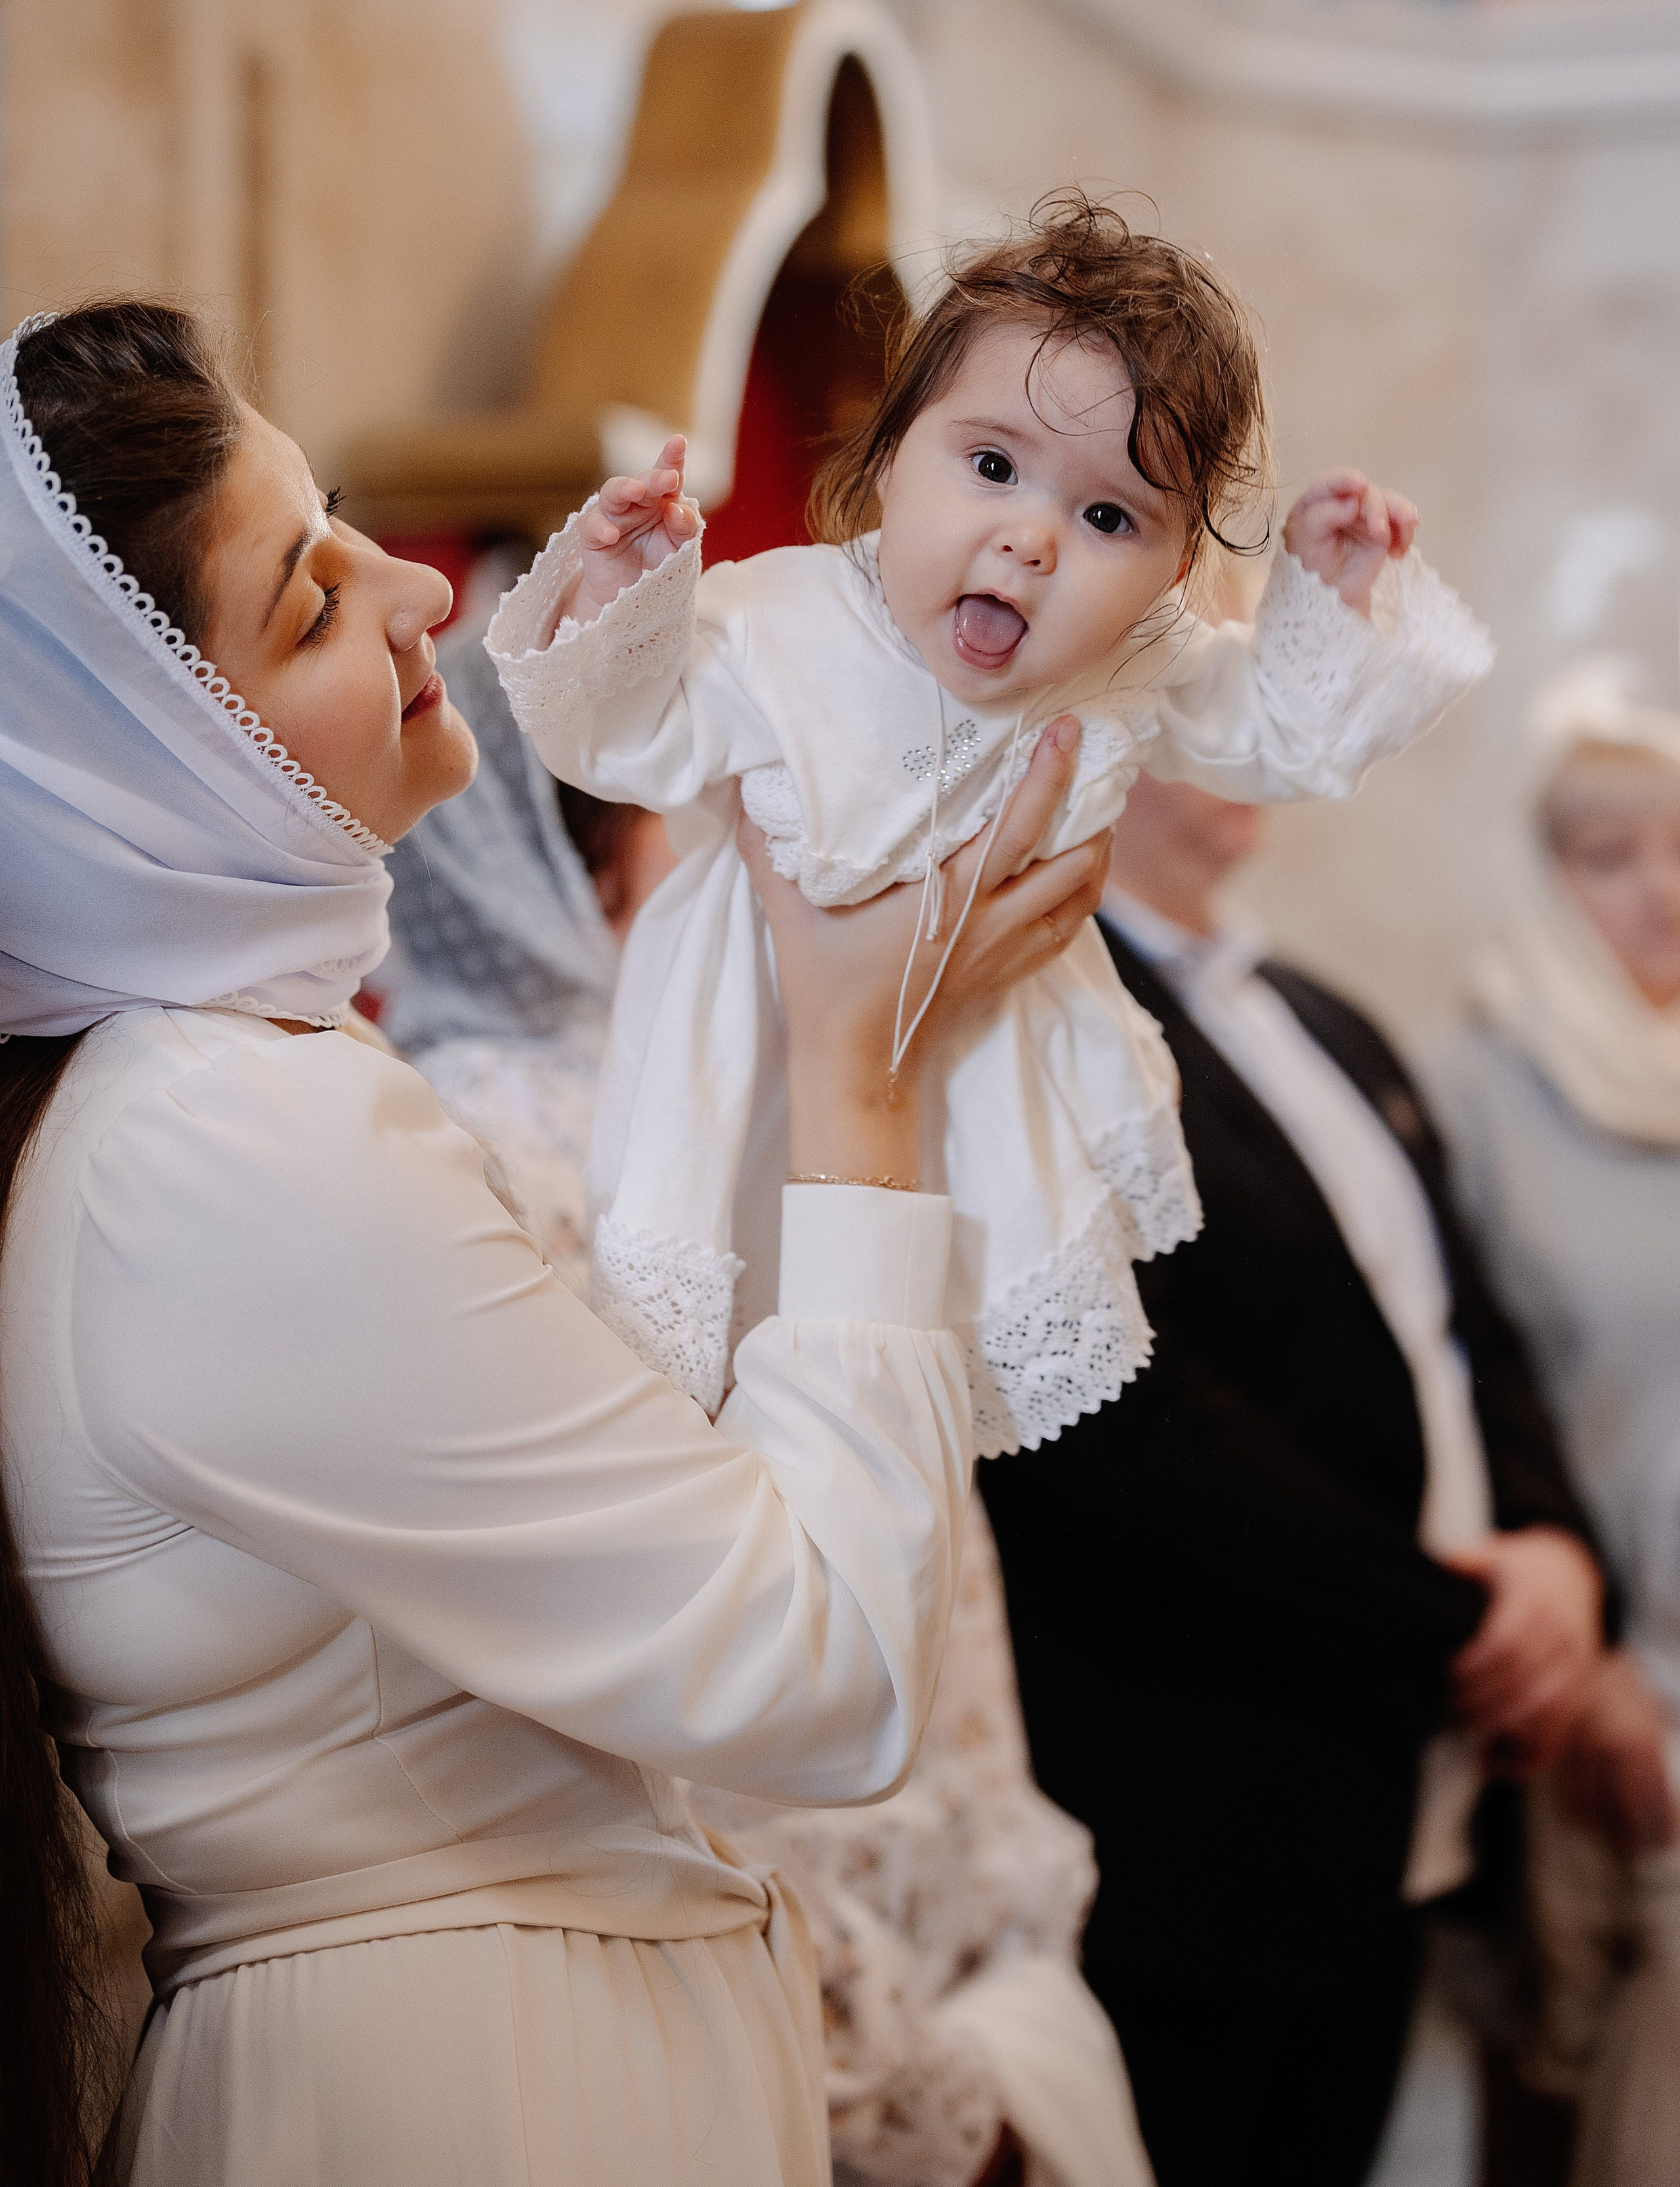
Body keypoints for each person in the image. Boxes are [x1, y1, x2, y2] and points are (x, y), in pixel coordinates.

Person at [0, 299, 1108, 2187]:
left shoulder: (211, 1104)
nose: (417, 601)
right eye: (309, 602)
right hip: (473, 2093)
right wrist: (866, 1069)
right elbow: (818, 1667)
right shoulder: (222, 1138)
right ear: (136, 773)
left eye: (348, 527)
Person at [486, 193, 1492, 1456]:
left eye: (1109, 517)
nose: (1030, 539)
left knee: (906, 1385)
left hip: (985, 1081)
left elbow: (1274, 730)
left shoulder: (1122, 666)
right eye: (994, 466)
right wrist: (624, 589)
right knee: (726, 1360)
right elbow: (616, 736)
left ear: (1172, 577)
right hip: (754, 1044)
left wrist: (1328, 596)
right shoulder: (777, 621)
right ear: (889, 455)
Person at [377, 629, 1156, 2187]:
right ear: (614, 866)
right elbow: (728, 1720)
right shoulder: (624, 1155)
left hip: (765, 2002)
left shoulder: (432, 1154)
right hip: (819, 2009)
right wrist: (925, 2089)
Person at [980, 768, 1608, 2187]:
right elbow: (1124, 1426)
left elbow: (1465, 1324)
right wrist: (1455, 1628)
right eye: (1197, 711)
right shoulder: (1039, 1020)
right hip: (1201, 1811)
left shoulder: (1318, 1013)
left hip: (1395, 1795)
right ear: (1096, 756)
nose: (1246, 745)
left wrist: (1558, 1554)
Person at [1427, 663, 1680, 2186]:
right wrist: (1584, 1665)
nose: (1659, 892)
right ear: (1540, 878)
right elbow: (1462, 1411)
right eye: (1607, 857)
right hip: (1602, 1710)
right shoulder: (1474, 1089)